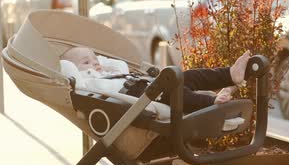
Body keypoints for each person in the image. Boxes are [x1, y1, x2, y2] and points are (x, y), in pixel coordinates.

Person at [60, 46, 250, 112]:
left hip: (146, 86)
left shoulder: (107, 71)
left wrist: (103, 65)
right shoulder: (88, 83)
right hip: (136, 95)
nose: (95, 64)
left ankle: (229, 74)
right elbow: (74, 75)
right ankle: (211, 100)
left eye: (95, 60)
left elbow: (117, 68)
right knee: (176, 94)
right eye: (87, 62)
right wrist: (73, 70)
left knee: (188, 76)